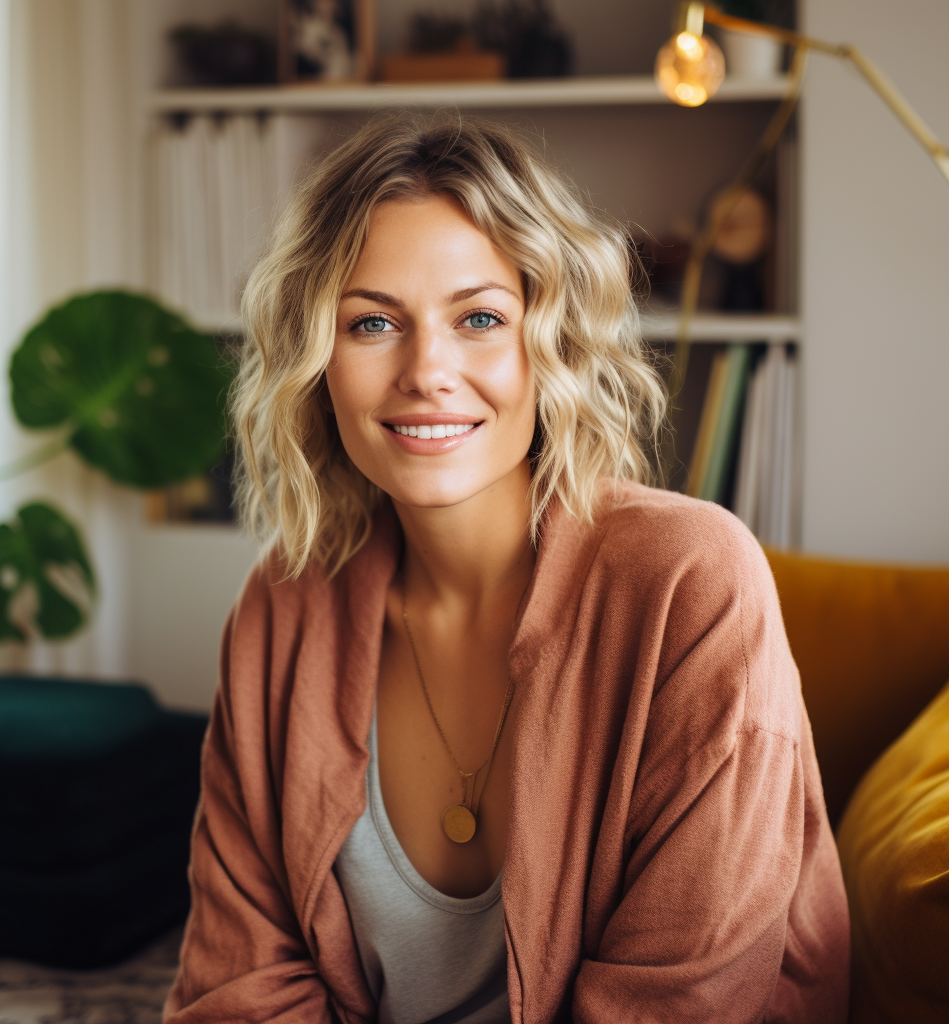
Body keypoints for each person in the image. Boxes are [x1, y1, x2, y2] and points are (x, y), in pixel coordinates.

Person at [163, 114, 849, 1024]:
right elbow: (237, 980)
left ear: (550, 340)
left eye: (479, 318)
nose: (427, 372)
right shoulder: (282, 606)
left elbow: (683, 1001)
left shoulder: (693, 583)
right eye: (372, 323)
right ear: (317, 361)